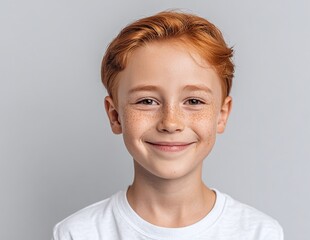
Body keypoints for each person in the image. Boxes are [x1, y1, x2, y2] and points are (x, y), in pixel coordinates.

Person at [52, 10, 284, 240]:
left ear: (222, 114)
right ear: (115, 115)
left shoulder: (259, 233)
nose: (170, 123)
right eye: (147, 101)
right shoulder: (78, 233)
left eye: (194, 101)